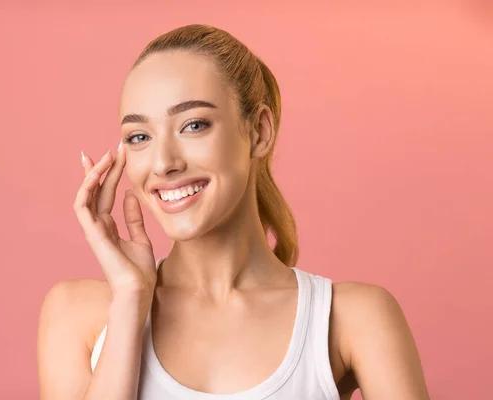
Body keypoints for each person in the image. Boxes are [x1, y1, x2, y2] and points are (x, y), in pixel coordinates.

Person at [37, 24, 430, 400]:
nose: (163, 163)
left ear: (258, 131)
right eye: (139, 136)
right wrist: (129, 301)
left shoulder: (351, 319)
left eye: (193, 125)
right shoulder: (78, 313)